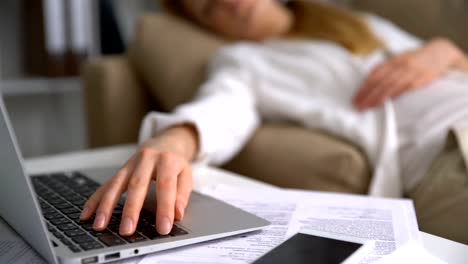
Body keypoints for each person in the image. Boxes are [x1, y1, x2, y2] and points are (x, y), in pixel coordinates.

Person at [80, 0, 468, 240]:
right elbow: (222, 108)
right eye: (210, 6)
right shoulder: (247, 62)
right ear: (208, 27)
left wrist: (444, 53)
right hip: (449, 149)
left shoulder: (359, 23)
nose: (228, 2)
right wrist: (174, 141)